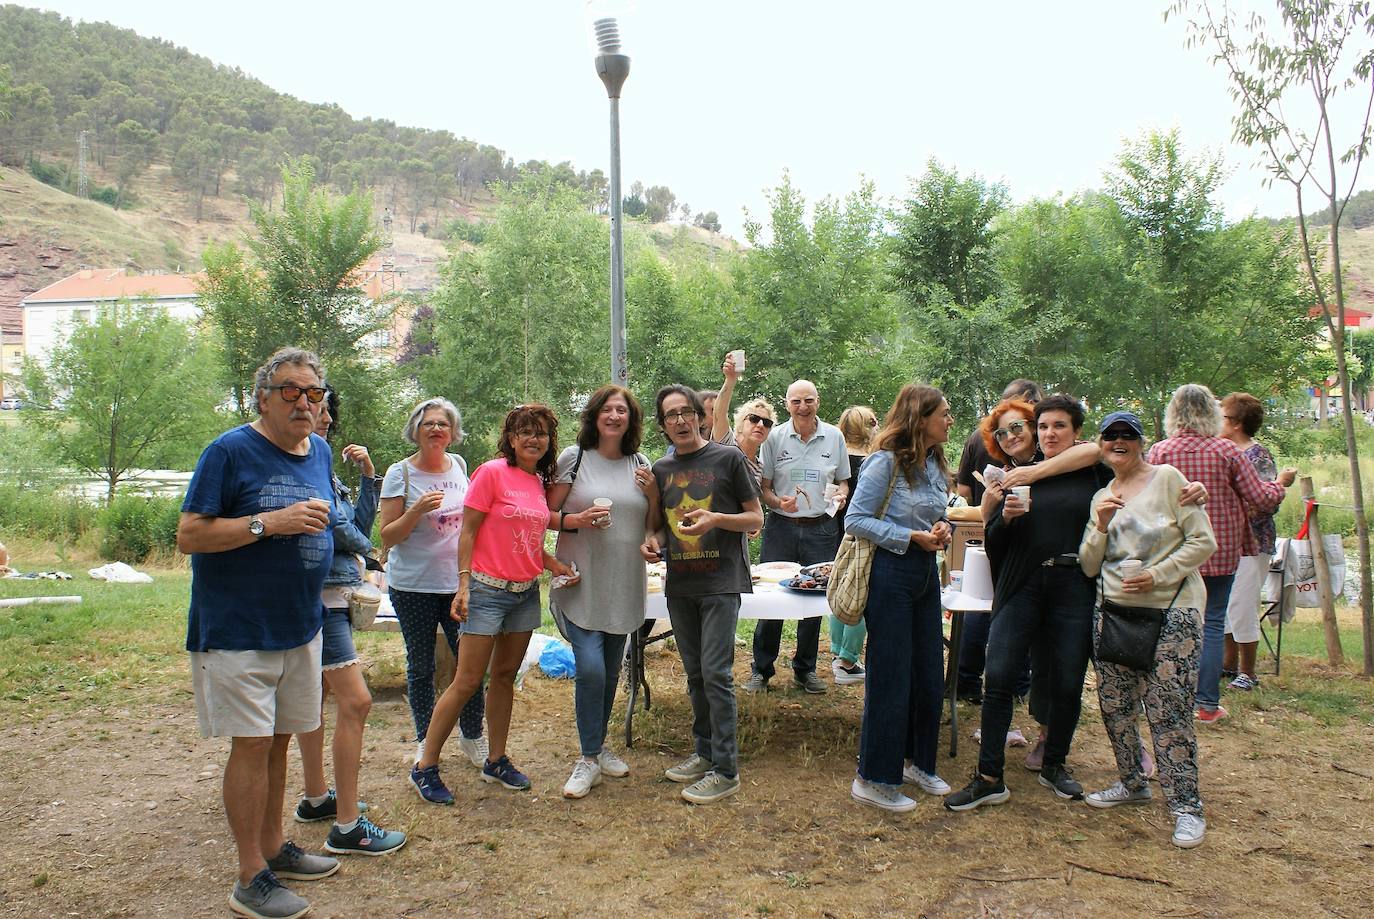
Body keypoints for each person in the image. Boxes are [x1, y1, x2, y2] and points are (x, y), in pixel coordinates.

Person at [177, 347, 341, 919]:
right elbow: (190, 535)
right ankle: (251, 875)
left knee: (278, 741)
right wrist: (267, 524)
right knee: (249, 744)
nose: (303, 402)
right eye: (291, 391)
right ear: (263, 397)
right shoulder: (228, 451)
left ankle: (275, 848)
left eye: (313, 393)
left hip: (299, 625)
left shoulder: (318, 449)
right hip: (237, 628)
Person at [946, 395, 1108, 812]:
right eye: (1046, 427)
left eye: (1059, 427)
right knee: (998, 676)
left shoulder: (1089, 471)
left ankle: (1055, 764)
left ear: (1074, 432)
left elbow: (1101, 449)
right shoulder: (1008, 478)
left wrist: (1033, 473)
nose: (1050, 434)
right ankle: (988, 776)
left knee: (1068, 679)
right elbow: (993, 540)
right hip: (1022, 585)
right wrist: (1007, 518)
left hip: (1073, 584)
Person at [414, 404, 579, 798]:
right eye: (524, 431)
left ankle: (496, 760)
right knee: (468, 680)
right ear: (510, 437)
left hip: (524, 594)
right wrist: (464, 584)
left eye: (540, 432)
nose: (533, 438)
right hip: (486, 591)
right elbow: (467, 533)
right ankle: (425, 766)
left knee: (504, 677)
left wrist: (554, 564)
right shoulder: (491, 473)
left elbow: (529, 541)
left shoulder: (538, 481)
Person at [1079, 411, 1217, 849]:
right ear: (1101, 444)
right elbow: (1087, 563)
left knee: (1168, 710)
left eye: (1127, 435)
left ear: (1141, 442)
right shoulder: (1102, 494)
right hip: (1114, 612)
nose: (1118, 442)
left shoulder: (1171, 480)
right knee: (1115, 705)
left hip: (1172, 611)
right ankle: (1132, 782)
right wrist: (1100, 525)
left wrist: (1157, 575)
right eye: (1110, 436)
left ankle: (1186, 807)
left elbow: (1203, 542)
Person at [292, 387, 405, 856]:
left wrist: (368, 477)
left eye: (326, 412)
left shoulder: (324, 469)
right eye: (313, 410)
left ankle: (317, 796)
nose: (321, 418)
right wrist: (366, 549)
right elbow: (344, 530)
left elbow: (358, 522)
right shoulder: (301, 466)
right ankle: (346, 826)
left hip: (333, 595)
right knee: (356, 702)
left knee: (313, 697)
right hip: (318, 598)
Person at [641, 385, 763, 804]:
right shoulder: (661, 468)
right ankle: (704, 752)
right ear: (663, 425)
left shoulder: (728, 458)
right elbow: (657, 525)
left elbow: (755, 516)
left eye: (685, 412)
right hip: (681, 583)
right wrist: (651, 541)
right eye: (670, 415)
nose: (679, 420)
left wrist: (715, 518)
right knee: (695, 674)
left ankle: (726, 770)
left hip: (721, 581)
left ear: (700, 416)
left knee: (716, 673)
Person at [1147, 384, 1295, 723]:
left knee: (1170, 623)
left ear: (1174, 413)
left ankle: (1166, 699)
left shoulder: (1159, 452)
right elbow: (1261, 498)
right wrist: (1280, 486)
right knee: (1212, 623)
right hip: (1220, 549)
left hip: (1174, 552)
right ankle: (1207, 704)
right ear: (1211, 413)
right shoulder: (1227, 452)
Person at [845, 385, 954, 812]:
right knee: (891, 676)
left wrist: (942, 526)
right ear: (919, 417)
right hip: (890, 574)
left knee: (928, 672)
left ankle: (916, 762)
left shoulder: (931, 463)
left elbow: (936, 511)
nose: (949, 420)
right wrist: (909, 536)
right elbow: (855, 520)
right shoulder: (883, 462)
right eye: (943, 414)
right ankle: (873, 778)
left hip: (925, 574)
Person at [547, 385, 658, 799]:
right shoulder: (573, 460)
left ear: (631, 419)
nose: (614, 416)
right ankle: (587, 758)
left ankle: (596, 747)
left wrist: (651, 537)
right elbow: (546, 515)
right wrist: (577, 520)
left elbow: (652, 520)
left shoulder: (641, 463)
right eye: (607, 409)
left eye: (622, 410)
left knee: (611, 670)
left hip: (625, 580)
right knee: (591, 667)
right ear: (594, 416)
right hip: (580, 579)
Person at [379, 398, 487, 797]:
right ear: (416, 430)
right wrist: (417, 511)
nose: (437, 429)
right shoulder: (400, 474)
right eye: (429, 424)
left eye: (443, 424)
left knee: (470, 666)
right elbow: (387, 536)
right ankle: (426, 740)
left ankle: (473, 735)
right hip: (412, 586)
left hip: (458, 583)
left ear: (453, 432)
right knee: (422, 665)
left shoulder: (459, 466)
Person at [745, 379, 849, 694]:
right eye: (795, 402)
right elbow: (764, 488)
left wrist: (841, 497)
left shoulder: (834, 436)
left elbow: (844, 481)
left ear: (818, 401)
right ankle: (761, 670)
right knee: (771, 599)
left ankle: (806, 670)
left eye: (808, 400)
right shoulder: (774, 437)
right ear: (787, 404)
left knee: (815, 599)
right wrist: (778, 502)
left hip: (821, 528)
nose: (802, 407)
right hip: (781, 526)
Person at [1219, 392, 1279, 691]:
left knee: (1243, 603)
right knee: (1225, 603)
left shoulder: (1258, 456)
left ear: (1237, 423)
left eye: (1223, 414)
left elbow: (1266, 501)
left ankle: (1248, 671)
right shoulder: (1221, 451)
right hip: (1226, 541)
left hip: (1253, 541)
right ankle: (1226, 664)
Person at [829, 405, 879, 685]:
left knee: (839, 589)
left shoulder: (838, 459)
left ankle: (838, 652)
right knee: (860, 593)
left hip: (835, 532)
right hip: (864, 536)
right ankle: (848, 660)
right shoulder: (873, 460)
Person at [954, 379, 1043, 506]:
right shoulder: (1001, 476)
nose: (1010, 437)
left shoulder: (1054, 456)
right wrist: (990, 509)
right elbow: (964, 492)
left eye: (1016, 426)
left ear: (1033, 427)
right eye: (1000, 434)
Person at [711, 350, 776, 489]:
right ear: (740, 424)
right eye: (753, 419)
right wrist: (730, 379)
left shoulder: (760, 469)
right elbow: (719, 414)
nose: (760, 425)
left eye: (767, 423)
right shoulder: (726, 444)